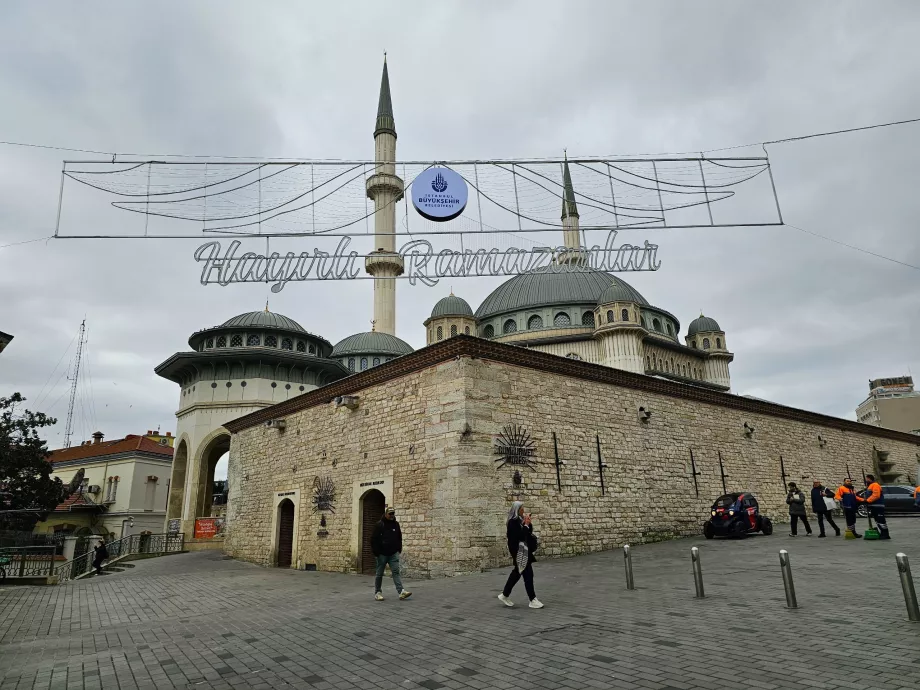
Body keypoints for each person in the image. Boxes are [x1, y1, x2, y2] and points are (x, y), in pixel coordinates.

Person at [497, 501, 544, 609]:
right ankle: (532, 599)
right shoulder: (512, 523)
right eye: (522, 508)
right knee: (528, 575)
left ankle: (504, 594)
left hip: (524, 550)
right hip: (519, 551)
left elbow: (528, 532)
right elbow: (520, 536)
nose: (524, 510)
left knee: (517, 573)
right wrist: (526, 526)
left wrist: (528, 523)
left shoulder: (519, 520)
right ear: (517, 510)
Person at [371, 506, 411, 601]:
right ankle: (378, 592)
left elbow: (399, 537)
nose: (392, 515)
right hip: (382, 554)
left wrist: (399, 549)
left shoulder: (396, 524)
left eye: (393, 514)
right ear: (386, 514)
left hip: (393, 553)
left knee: (396, 572)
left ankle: (401, 592)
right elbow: (373, 539)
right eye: (390, 514)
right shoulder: (380, 525)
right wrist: (377, 553)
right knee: (379, 574)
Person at [856, 474, 890, 539]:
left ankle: (885, 534)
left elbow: (876, 495)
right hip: (873, 506)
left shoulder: (875, 485)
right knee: (877, 520)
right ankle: (882, 533)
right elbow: (868, 496)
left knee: (880, 520)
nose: (866, 480)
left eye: (866, 479)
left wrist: (868, 501)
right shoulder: (870, 486)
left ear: (869, 479)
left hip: (878, 505)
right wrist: (859, 499)